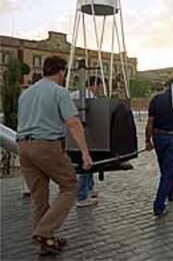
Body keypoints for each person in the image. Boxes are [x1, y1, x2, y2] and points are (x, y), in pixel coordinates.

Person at [17, 56, 93, 254]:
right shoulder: (59, 92)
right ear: (61, 72)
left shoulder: (26, 93)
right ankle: (43, 231)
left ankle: (46, 243)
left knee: (39, 196)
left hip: (23, 147)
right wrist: (85, 153)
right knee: (70, 186)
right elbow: (74, 124)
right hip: (47, 146)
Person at [145, 79, 173, 216]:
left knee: (165, 167)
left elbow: (150, 122)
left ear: (166, 86)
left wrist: (147, 140)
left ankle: (171, 191)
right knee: (168, 171)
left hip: (158, 137)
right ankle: (159, 205)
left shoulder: (156, 99)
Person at [70, 77, 101, 207]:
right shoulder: (91, 98)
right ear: (94, 85)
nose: (99, 90)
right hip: (86, 134)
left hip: (71, 134)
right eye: (99, 87)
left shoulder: (73, 95)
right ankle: (82, 196)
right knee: (86, 164)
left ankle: (89, 188)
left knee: (87, 162)